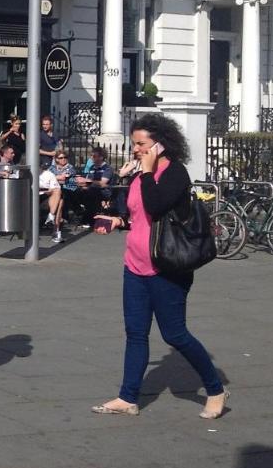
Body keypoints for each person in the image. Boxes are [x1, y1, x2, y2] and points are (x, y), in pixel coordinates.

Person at [91, 113, 227, 420]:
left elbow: (156, 205)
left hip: (167, 268)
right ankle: (128, 398)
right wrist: (117, 221)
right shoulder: (141, 175)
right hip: (135, 266)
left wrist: (149, 172)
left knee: (175, 334)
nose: (136, 149)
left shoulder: (175, 173)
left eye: (141, 144)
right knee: (135, 333)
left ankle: (216, 389)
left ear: (160, 144)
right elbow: (141, 218)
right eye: (134, 143)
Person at [75, 146, 114, 225]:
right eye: (91, 156)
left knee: (91, 195)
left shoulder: (107, 168)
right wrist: (80, 182)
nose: (92, 158)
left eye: (94, 156)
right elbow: (88, 182)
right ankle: (79, 211)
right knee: (74, 192)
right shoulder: (92, 167)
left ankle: (88, 218)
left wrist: (86, 181)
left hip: (104, 191)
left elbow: (103, 183)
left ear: (101, 157)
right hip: (92, 189)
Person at [38, 163, 64, 244]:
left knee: (59, 198)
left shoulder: (49, 174)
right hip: (30, 198)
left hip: (45, 198)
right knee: (59, 201)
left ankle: (51, 216)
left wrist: (48, 191)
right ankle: (55, 228)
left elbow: (55, 189)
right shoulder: (26, 173)